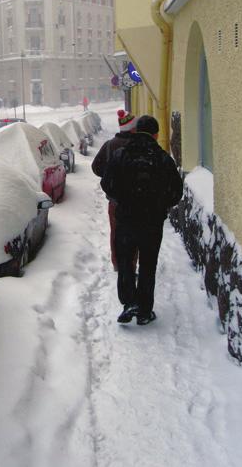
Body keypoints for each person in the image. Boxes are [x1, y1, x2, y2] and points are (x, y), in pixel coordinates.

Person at [100, 115, 183, 326]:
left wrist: (121, 199)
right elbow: (176, 192)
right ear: (156, 134)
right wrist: (161, 204)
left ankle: (129, 303)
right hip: (152, 222)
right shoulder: (163, 159)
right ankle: (145, 310)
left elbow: (107, 184)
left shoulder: (120, 155)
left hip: (126, 219)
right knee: (148, 264)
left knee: (126, 261)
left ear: (136, 132)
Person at [91, 109, 137, 271]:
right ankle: (131, 264)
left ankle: (117, 263)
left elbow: (96, 167)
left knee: (116, 232)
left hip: (114, 200)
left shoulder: (110, 145)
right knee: (133, 232)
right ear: (132, 129)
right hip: (135, 199)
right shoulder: (137, 146)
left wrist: (108, 176)